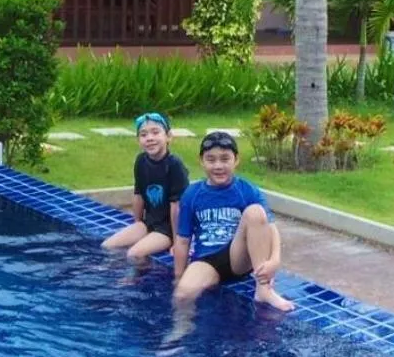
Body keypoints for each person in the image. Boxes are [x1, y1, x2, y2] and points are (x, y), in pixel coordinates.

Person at [172, 131, 294, 312]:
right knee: (182, 295)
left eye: (224, 159)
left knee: (255, 212)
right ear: (201, 161)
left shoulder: (246, 189)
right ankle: (181, 331)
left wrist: (274, 260)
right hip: (207, 260)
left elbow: (270, 226)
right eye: (211, 160)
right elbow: (183, 240)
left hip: (239, 257)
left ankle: (264, 290)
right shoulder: (192, 194)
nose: (218, 166)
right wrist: (179, 276)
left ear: (236, 160)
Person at [102, 112, 188, 262]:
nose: (150, 138)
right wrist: (138, 224)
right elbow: (139, 194)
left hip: (167, 230)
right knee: (107, 246)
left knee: (133, 254)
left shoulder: (174, 166)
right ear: (138, 140)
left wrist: (177, 242)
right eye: (143, 134)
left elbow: (177, 207)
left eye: (156, 132)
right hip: (149, 223)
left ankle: (137, 283)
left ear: (168, 136)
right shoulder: (141, 161)